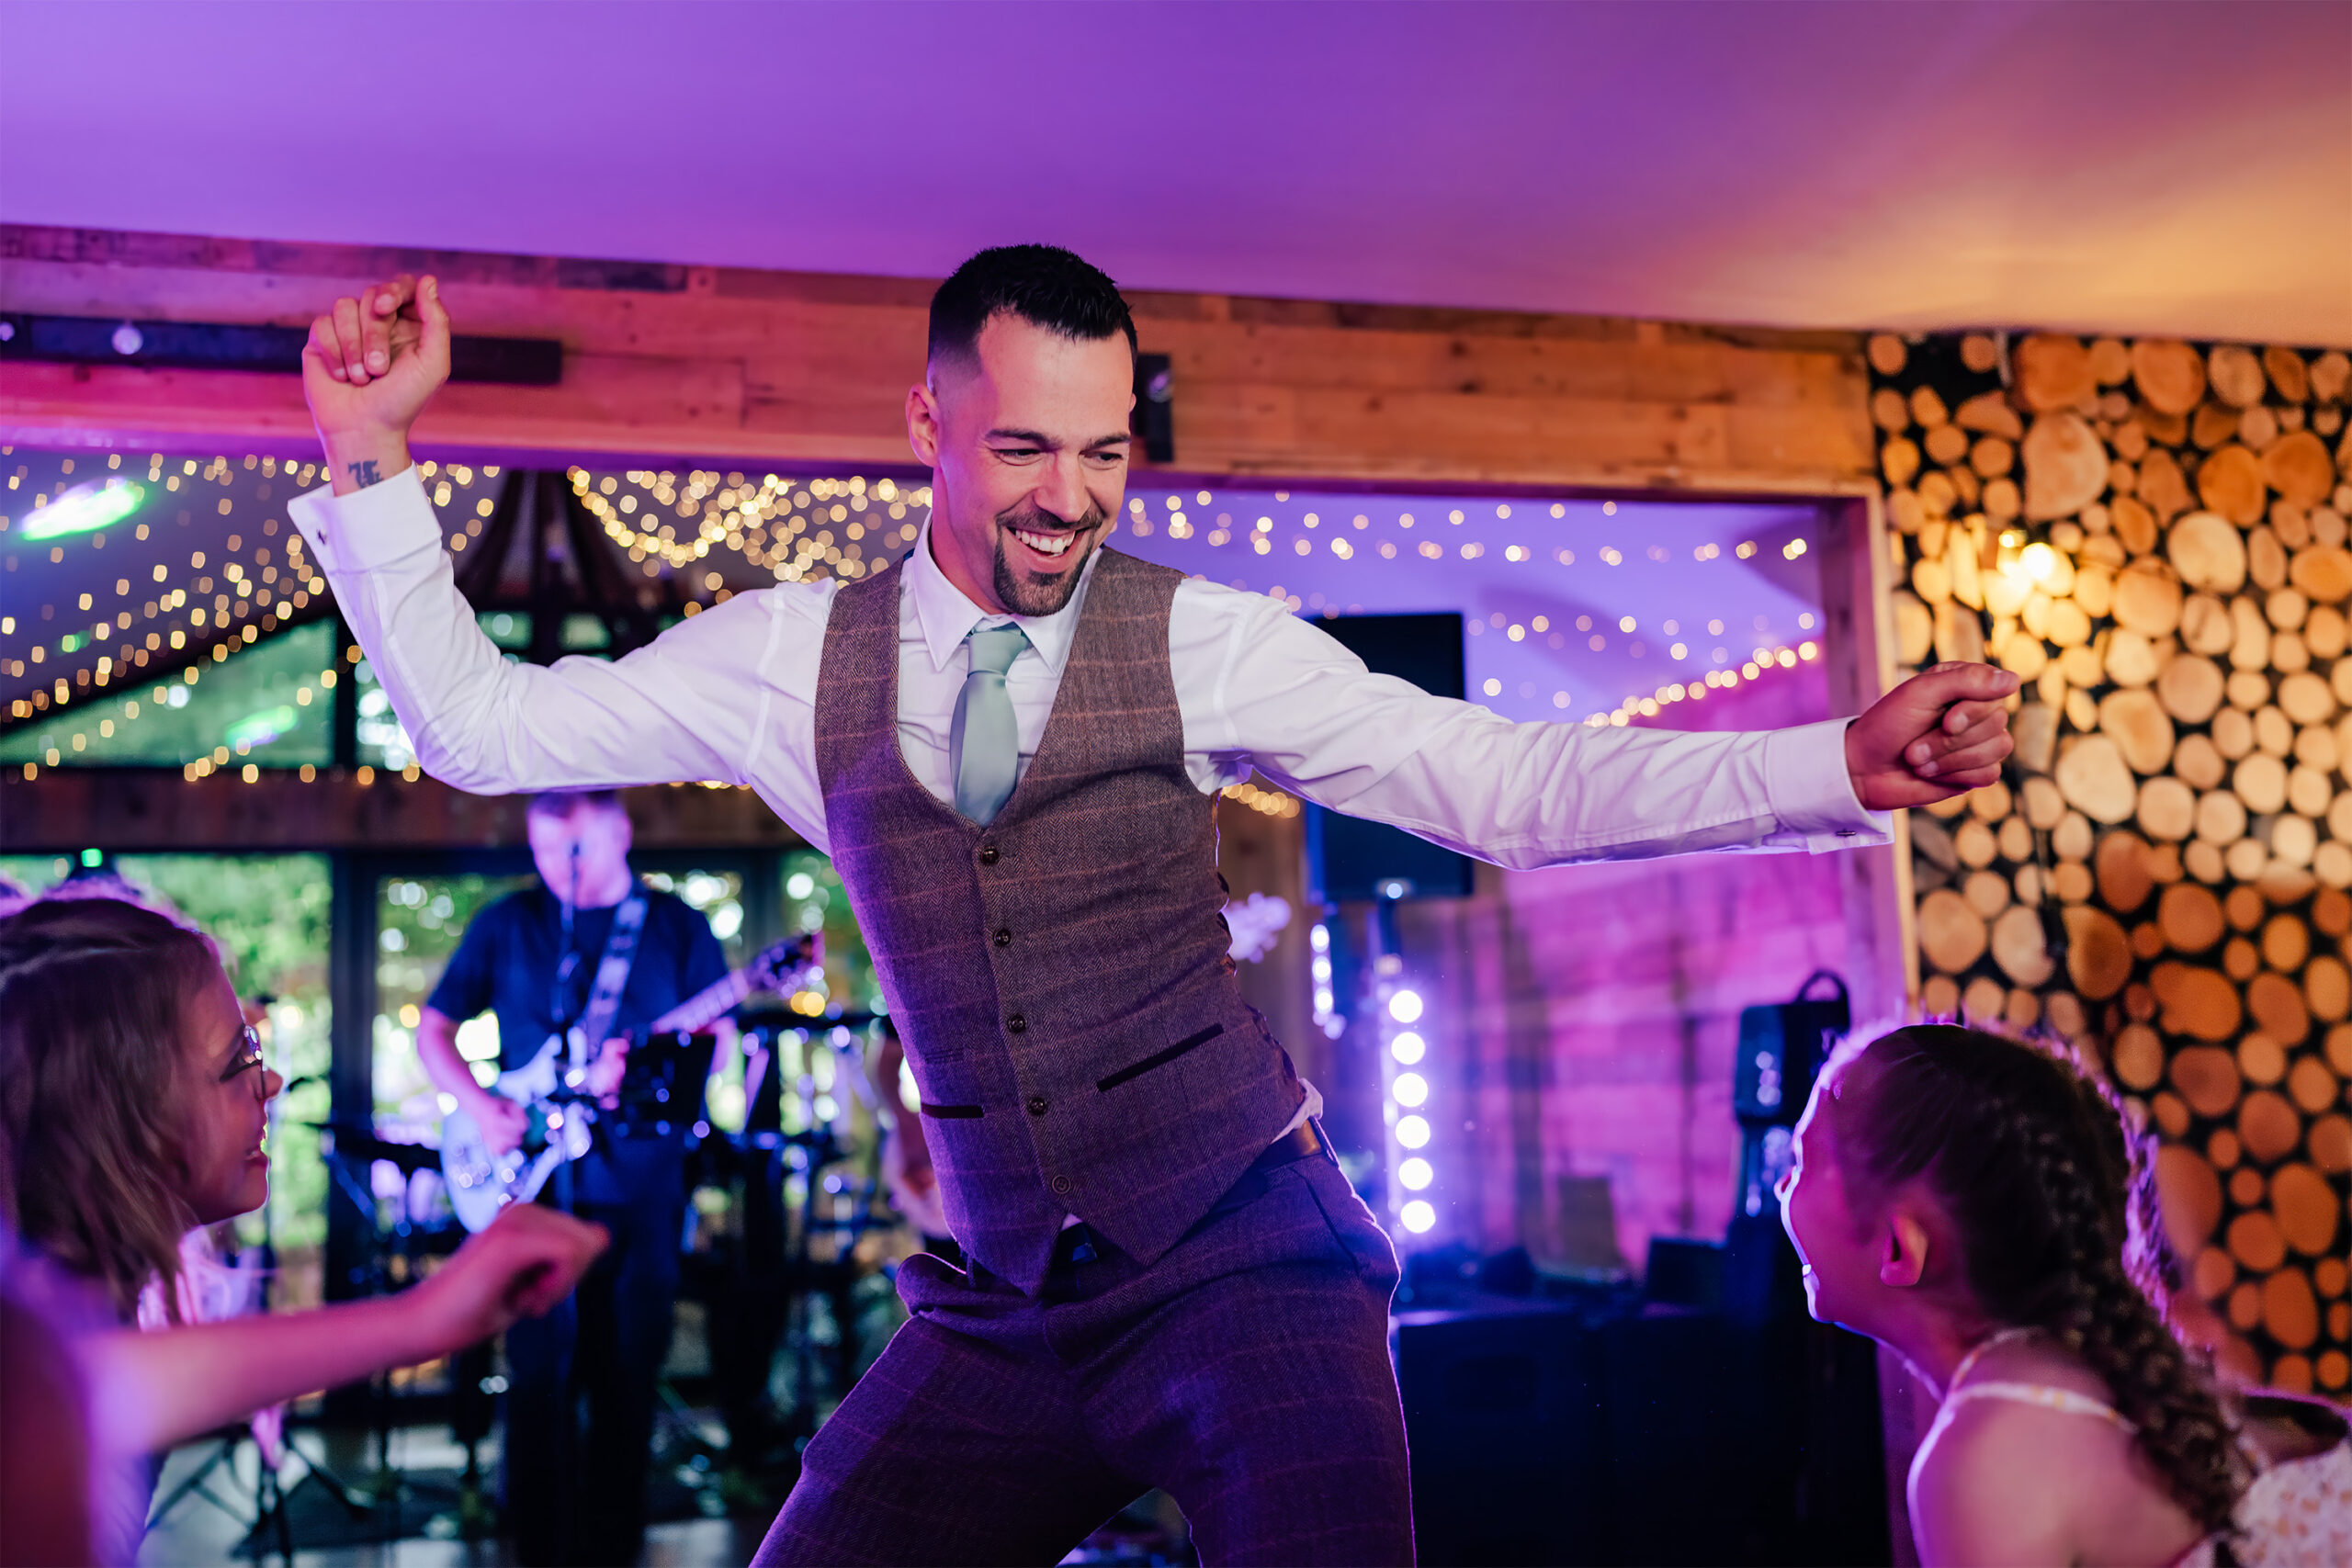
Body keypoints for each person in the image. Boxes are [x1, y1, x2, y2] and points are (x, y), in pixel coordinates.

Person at [295, 246, 2013, 1565]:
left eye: (1106, 451)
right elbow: (485, 726)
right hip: (999, 1302)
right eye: (1025, 446)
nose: (1069, 496)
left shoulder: (1207, 637)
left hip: (1244, 1254)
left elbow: (1506, 786)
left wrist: (1831, 763)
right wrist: (368, 450)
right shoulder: (781, 660)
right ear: (926, 426)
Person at [0, 896, 606, 1566]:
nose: (273, 1080)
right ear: (125, 1112)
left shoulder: (80, 1298)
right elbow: (91, 1387)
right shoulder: (33, 1355)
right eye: (241, 1058)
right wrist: (421, 1318)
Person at [1778, 1022, 2351, 1566]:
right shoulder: (2116, 1380)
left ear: (1900, 1251)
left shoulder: (1985, 1462)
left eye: (1801, 1160)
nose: (1781, 1184)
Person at [415, 788, 734, 1566]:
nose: (559, 867)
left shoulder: (676, 926)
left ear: (621, 831)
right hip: (532, 1187)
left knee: (628, 1380)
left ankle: (616, 1547)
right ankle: (534, 1547)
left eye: (577, 848)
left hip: (644, 1186)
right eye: (545, 850)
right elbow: (434, 1031)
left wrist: (651, 1065)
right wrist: (483, 1107)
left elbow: (718, 1042)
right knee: (536, 1381)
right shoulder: (510, 921)